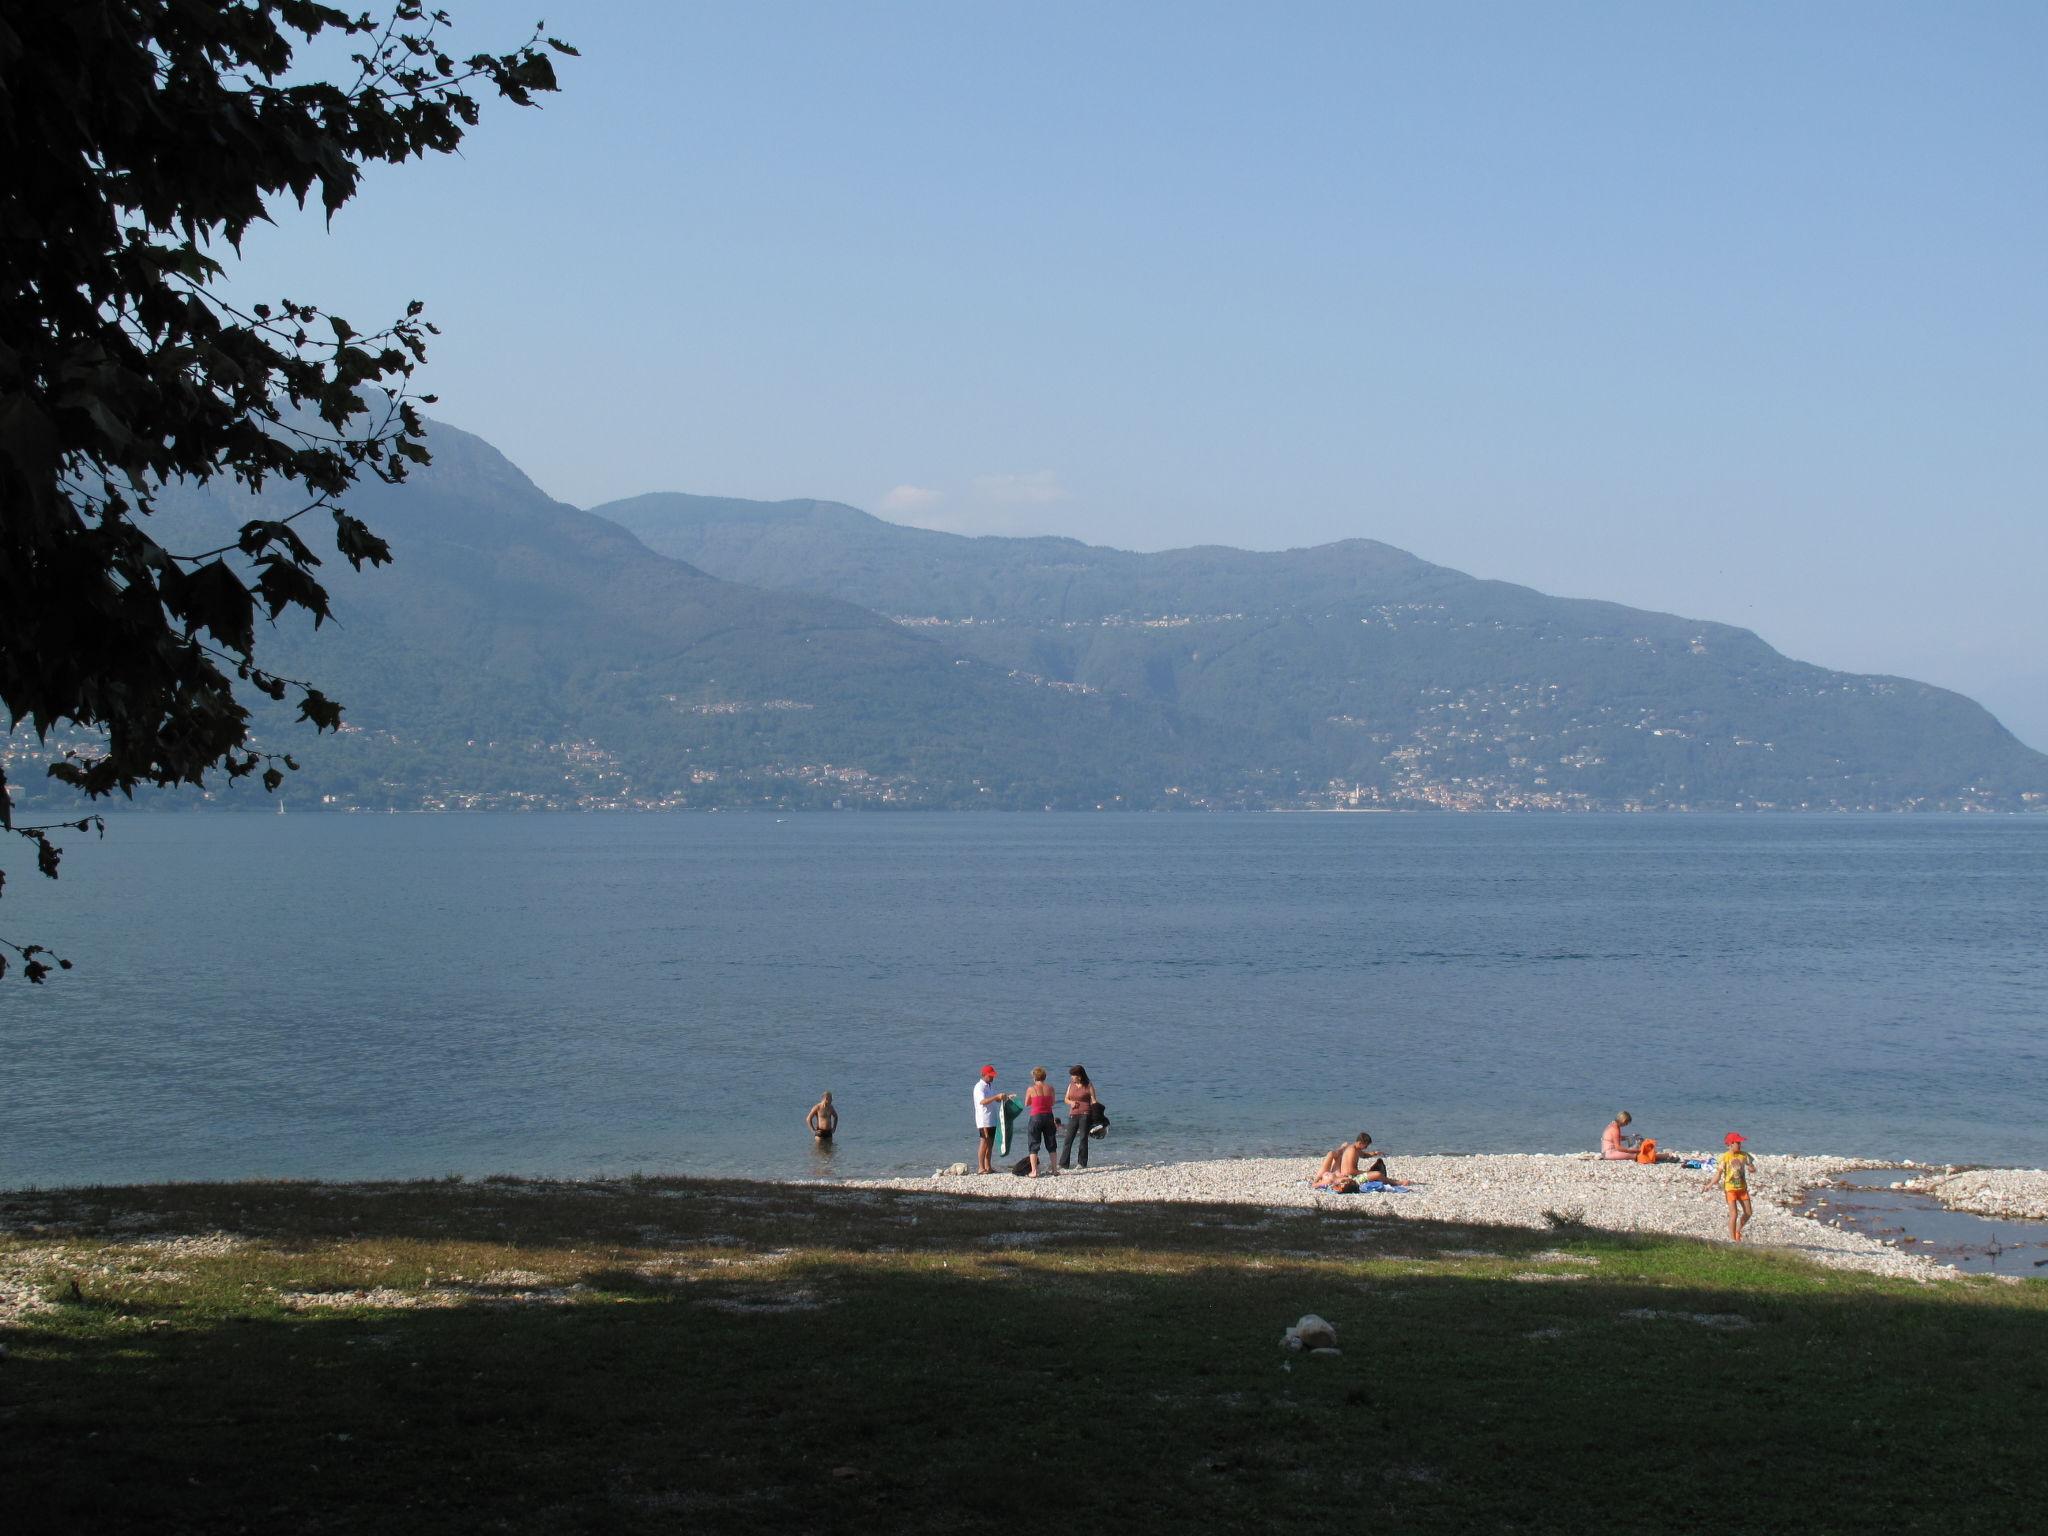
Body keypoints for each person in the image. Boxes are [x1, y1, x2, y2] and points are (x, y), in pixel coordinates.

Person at [1705, 1131, 1757, 1240]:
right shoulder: (1725, 1157)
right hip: (1730, 1189)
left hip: (1742, 1189)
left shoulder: (1744, 1155)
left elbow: (1752, 1167)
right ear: (1730, 1144)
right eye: (1737, 1143)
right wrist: (1709, 1184)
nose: (1740, 1145)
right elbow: (1718, 1174)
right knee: (1734, 1214)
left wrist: (1752, 1169)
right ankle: (1732, 1239)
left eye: (1740, 1143)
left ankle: (1738, 1230)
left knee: (1748, 1212)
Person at [1313, 1132, 1404, 1190]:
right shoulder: (1352, 1151)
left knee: (1376, 1174)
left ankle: (1391, 1181)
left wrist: (1374, 1153)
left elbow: (1364, 1155)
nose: (1366, 1148)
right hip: (1351, 1177)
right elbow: (1349, 1171)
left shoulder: (1356, 1149)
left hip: (1350, 1175)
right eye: (1365, 1146)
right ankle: (1397, 1183)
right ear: (1360, 1143)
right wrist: (1367, 1172)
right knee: (1377, 1174)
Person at [973, 1066, 1011, 1175]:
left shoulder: (989, 1086)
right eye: (991, 1076)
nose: (993, 1078)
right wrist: (996, 1097)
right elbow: (983, 1101)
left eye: (993, 1076)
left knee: (990, 1144)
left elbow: (994, 1099)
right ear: (984, 1074)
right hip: (984, 1119)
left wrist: (1005, 1097)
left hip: (992, 1118)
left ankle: (988, 1166)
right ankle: (981, 1167)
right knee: (984, 1142)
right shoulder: (979, 1087)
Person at [1023, 1066, 1060, 1177]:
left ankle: (1034, 1171)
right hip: (1048, 1116)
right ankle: (1054, 1170)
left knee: (1033, 1143)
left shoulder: (1031, 1089)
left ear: (1035, 1077)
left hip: (1036, 1117)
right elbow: (1052, 1102)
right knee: (1051, 1143)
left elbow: (1026, 1103)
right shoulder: (1050, 1088)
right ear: (1044, 1077)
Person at [1059, 1065, 1098, 1170]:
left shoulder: (1088, 1085)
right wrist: (1071, 1102)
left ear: (1080, 1076)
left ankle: (1082, 1163)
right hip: (1073, 1114)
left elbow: (1094, 1100)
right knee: (1068, 1139)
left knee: (1083, 1139)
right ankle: (1063, 1163)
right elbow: (1066, 1099)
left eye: (1073, 1075)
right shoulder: (1071, 1085)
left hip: (1086, 1114)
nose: (1072, 1077)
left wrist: (1098, 1113)